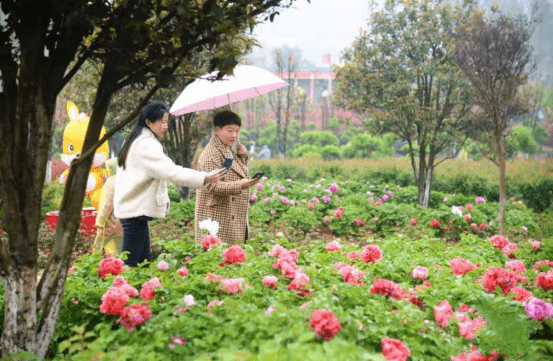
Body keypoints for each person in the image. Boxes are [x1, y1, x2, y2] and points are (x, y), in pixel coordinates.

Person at [114, 101, 226, 267]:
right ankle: (119, 292)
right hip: (134, 211)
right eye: (162, 122)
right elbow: (171, 172)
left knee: (143, 264)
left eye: (167, 122)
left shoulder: (136, 139)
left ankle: (134, 291)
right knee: (131, 266)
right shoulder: (146, 145)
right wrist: (205, 178)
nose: (165, 126)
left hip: (133, 210)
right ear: (149, 123)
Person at [195, 111, 260, 244]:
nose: (234, 135)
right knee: (219, 258)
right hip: (217, 217)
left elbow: (228, 172)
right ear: (217, 130)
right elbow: (212, 185)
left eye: (237, 131)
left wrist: (242, 158)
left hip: (229, 213)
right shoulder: (210, 154)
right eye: (230, 131)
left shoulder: (227, 148)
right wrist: (240, 185)